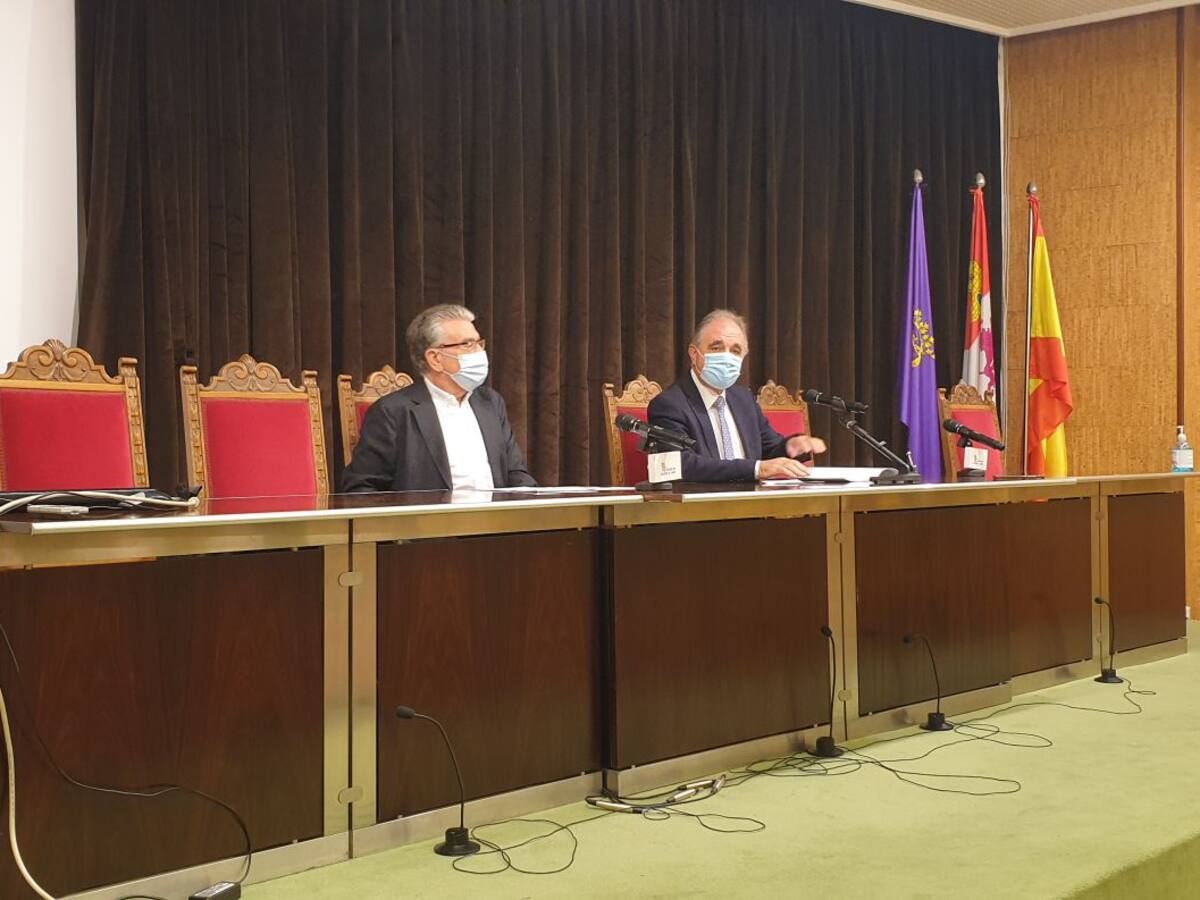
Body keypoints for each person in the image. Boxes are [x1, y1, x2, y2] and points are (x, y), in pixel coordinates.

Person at [341, 304, 536, 492]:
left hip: (495, 514)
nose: (479, 352)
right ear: (435, 358)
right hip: (429, 515)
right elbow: (361, 488)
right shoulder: (392, 412)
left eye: (479, 343)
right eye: (468, 344)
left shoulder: (490, 402)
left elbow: (516, 473)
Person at [647, 309, 826, 482]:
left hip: (754, 499)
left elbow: (769, 449)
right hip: (702, 500)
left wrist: (790, 447)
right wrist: (757, 469)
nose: (727, 357)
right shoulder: (669, 405)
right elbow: (680, 464)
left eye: (735, 351)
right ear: (694, 355)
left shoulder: (744, 400)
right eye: (716, 348)